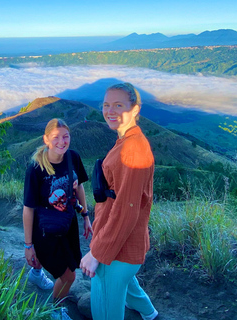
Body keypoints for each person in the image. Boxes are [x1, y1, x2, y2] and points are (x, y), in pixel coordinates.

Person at [80, 83, 158, 320]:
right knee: (128, 286)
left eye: (118, 105)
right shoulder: (126, 139)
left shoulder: (132, 149)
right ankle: (151, 314)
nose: (110, 111)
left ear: (135, 109)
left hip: (118, 250)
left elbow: (127, 209)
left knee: (104, 311)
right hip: (126, 242)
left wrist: (97, 253)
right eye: (106, 105)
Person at [23, 118, 93, 319]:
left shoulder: (72, 158)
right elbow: (28, 209)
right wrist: (29, 245)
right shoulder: (36, 169)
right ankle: (55, 310)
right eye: (56, 137)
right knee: (69, 276)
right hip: (45, 230)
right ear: (46, 139)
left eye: (66, 136)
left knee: (71, 263)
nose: (62, 142)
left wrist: (85, 216)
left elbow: (79, 186)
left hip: (67, 224)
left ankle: (36, 274)